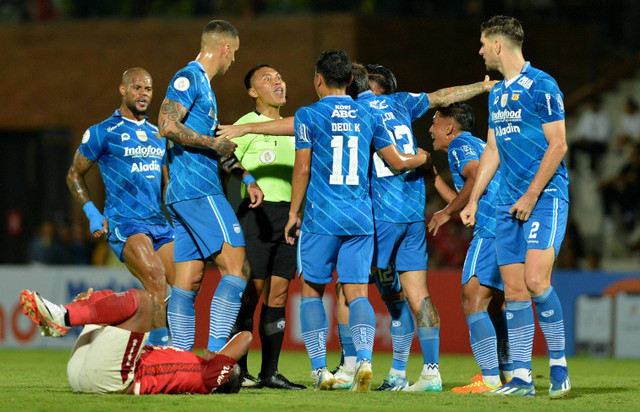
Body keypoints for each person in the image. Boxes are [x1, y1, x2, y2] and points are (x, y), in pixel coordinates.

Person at [332, 63, 496, 392]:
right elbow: (444, 95)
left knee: (349, 289)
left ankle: (351, 367)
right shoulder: (401, 102)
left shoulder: (354, 111)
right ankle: (425, 373)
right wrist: (484, 85)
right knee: (417, 295)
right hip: (412, 214)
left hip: (381, 212)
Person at [284, 50, 428, 392]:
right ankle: (364, 359)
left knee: (312, 292)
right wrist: (420, 157)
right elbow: (394, 160)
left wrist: (293, 212)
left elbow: (303, 168)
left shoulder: (308, 114)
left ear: (318, 79)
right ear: (350, 80)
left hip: (322, 217)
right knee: (358, 292)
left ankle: (321, 369)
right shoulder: (367, 115)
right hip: (361, 218)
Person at [460, 15, 571, 398]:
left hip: (544, 198)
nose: (479, 50)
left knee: (537, 281)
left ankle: (559, 367)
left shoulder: (542, 85)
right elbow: (492, 149)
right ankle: (521, 378)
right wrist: (475, 199)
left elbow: (558, 145)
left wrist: (531, 194)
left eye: (481, 43)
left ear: (497, 45)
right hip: (506, 204)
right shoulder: (496, 93)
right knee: (513, 290)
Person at [157, 20, 264, 353]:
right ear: (226, 48)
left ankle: (180, 359)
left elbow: (216, 145)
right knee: (237, 267)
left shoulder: (204, 87)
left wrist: (245, 177)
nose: (233, 62)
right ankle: (217, 353)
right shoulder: (188, 78)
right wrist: (212, 144)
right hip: (198, 190)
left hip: (182, 195)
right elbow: (166, 124)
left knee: (187, 281)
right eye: (235, 54)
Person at [66, 67, 175, 346]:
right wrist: (92, 212)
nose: (143, 94)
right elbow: (74, 174)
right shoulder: (103, 132)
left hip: (159, 224)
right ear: (123, 89)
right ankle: (162, 352)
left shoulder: (158, 133)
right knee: (156, 280)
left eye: (148, 89)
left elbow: (166, 184)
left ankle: (134, 340)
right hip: (126, 222)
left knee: (187, 285)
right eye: (137, 87)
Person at [228, 64, 304, 390]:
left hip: (290, 216)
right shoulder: (246, 124)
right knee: (251, 292)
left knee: (280, 292)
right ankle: (239, 370)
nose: (278, 81)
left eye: (280, 76)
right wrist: (247, 179)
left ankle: (269, 372)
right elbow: (225, 157)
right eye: (267, 78)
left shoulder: (295, 126)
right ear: (252, 92)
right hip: (256, 214)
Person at [428, 103, 513, 393]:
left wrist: (445, 212)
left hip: (490, 227)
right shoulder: (476, 143)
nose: (430, 129)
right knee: (495, 303)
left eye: (435, 123)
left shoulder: (460, 144)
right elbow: (466, 194)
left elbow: (476, 176)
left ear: (449, 127)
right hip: (506, 224)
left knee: (472, 299)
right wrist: (436, 179)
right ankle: (507, 374)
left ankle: (489, 378)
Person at [19, 288, 250, 394]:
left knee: (144, 301)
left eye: (229, 364)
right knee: (106, 300)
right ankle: (63, 316)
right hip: (83, 374)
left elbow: (246, 337)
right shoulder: (190, 366)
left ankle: (64, 317)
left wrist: (218, 351)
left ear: (225, 373)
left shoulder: (209, 379)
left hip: (111, 378)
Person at [568, 95, 613, 173]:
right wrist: (580, 138)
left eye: (594, 104)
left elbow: (603, 136)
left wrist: (589, 139)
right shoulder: (586, 115)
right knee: (573, 146)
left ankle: (592, 171)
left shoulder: (605, 117)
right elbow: (580, 130)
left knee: (594, 147)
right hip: (586, 142)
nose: (592, 106)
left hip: (599, 143)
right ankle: (572, 169)